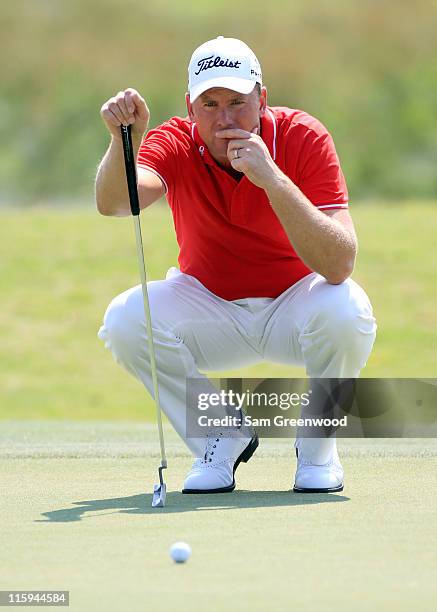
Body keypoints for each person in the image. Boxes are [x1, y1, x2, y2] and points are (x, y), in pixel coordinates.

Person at [95, 36, 377, 494]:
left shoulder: (302, 136)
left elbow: (340, 262)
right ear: (190, 106)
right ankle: (219, 436)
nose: (225, 118)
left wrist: (272, 179)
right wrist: (121, 140)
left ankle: (317, 448)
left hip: (296, 306)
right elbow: (117, 204)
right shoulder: (173, 141)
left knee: (348, 308)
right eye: (209, 104)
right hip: (210, 308)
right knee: (127, 319)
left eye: (237, 103)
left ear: (261, 98)